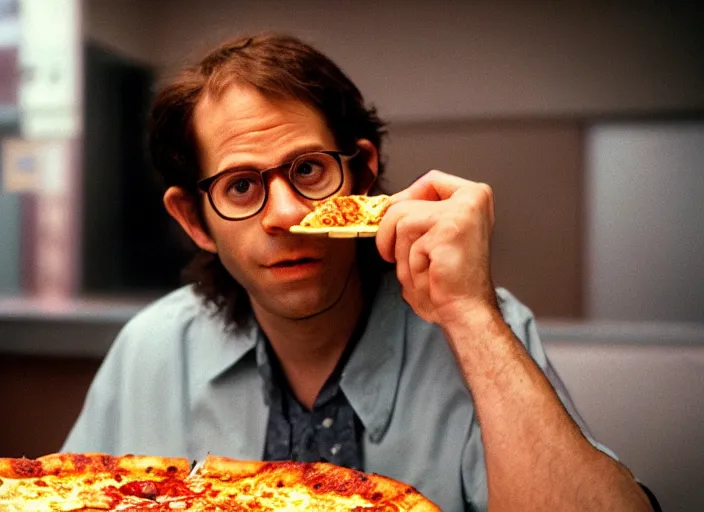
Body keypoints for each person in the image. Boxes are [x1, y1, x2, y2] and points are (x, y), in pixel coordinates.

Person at [63, 34, 656, 511]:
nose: (289, 214)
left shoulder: (481, 327)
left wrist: (469, 314)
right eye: (241, 186)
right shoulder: (150, 350)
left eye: (310, 170)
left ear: (362, 173)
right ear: (195, 220)